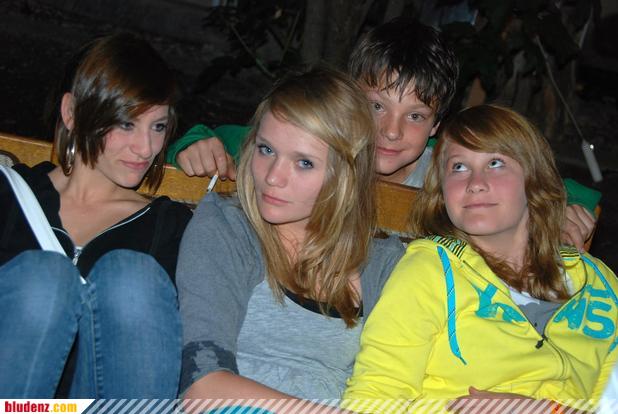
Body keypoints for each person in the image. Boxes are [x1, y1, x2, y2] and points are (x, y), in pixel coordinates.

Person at [167, 16, 597, 251]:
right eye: (377, 107)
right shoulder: (320, 140)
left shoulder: (449, 167)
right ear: (351, 98)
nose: (391, 132)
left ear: (437, 124)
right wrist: (195, 143)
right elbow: (230, 137)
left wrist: (560, 207)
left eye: (415, 116)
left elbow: (560, 184)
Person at [343, 104, 617, 413]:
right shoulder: (431, 271)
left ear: (534, 179)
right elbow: (376, 395)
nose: (475, 183)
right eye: (458, 167)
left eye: (495, 163)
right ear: (442, 192)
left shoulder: (599, 284)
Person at [176, 67, 405, 405]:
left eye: (304, 163)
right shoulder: (228, 229)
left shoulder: (382, 263)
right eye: (266, 150)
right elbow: (202, 386)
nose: (273, 177)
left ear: (345, 175)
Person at [0, 32, 192, 398]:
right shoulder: (9, 196)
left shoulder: (169, 227)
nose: (146, 148)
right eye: (126, 124)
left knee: (133, 278)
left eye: (158, 126)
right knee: (44, 279)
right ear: (72, 113)